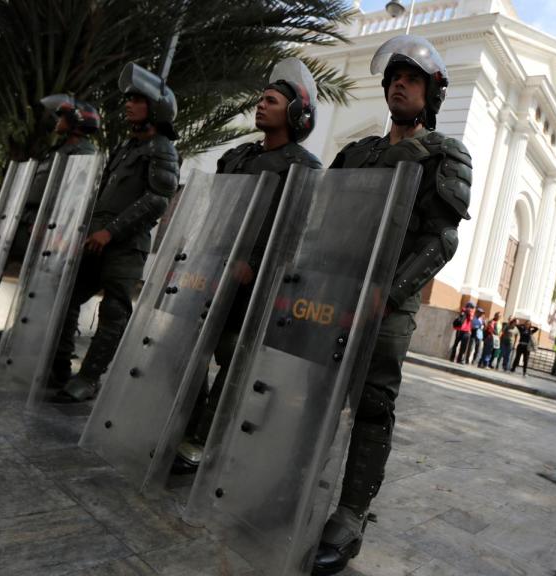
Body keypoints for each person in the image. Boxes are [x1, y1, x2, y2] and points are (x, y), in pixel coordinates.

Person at [313, 34, 471, 575]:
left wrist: (389, 292)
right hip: (334, 293)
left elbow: (442, 239)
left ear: (432, 92)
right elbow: (322, 219)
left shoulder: (445, 154)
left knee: (373, 402)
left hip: (389, 300)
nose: (398, 85)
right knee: (309, 387)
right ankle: (288, 481)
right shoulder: (357, 153)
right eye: (392, 78)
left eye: (411, 78)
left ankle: (352, 513)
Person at [174, 58, 322, 470]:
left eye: (271, 101)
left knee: (234, 359)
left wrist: (255, 265)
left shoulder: (304, 168)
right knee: (189, 348)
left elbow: (297, 233)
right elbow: (215, 213)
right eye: (260, 99)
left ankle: (205, 440)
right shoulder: (236, 157)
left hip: (256, 285)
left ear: (295, 114)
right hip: (212, 274)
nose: (260, 105)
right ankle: (185, 423)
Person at [51, 63, 180, 403]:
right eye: (129, 99)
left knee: (113, 313)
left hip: (126, 246)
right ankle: (59, 365)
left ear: (156, 108)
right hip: (97, 239)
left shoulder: (163, 149)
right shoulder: (126, 147)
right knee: (65, 297)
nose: (128, 104)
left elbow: (157, 201)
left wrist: (110, 232)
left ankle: (89, 378)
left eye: (136, 99)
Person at [0, 94, 100, 346]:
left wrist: (56, 228)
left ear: (75, 121)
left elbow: (75, 196)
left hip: (52, 225)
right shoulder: (60, 149)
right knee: (28, 278)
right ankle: (16, 333)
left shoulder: (84, 152)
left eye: (62, 116)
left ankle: (26, 339)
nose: (57, 120)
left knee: (42, 282)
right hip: (33, 219)